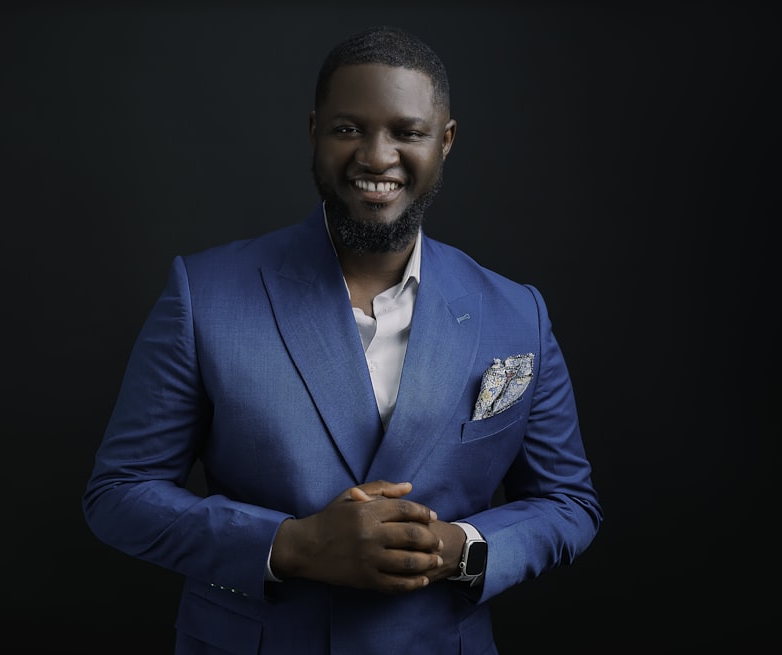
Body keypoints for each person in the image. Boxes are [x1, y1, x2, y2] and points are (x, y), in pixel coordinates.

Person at [83, 25, 602, 655]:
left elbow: (567, 502)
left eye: (406, 132)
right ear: (313, 133)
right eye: (348, 129)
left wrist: (460, 550)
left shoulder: (517, 314)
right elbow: (118, 494)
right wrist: (292, 545)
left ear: (446, 140)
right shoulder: (205, 294)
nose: (376, 157)